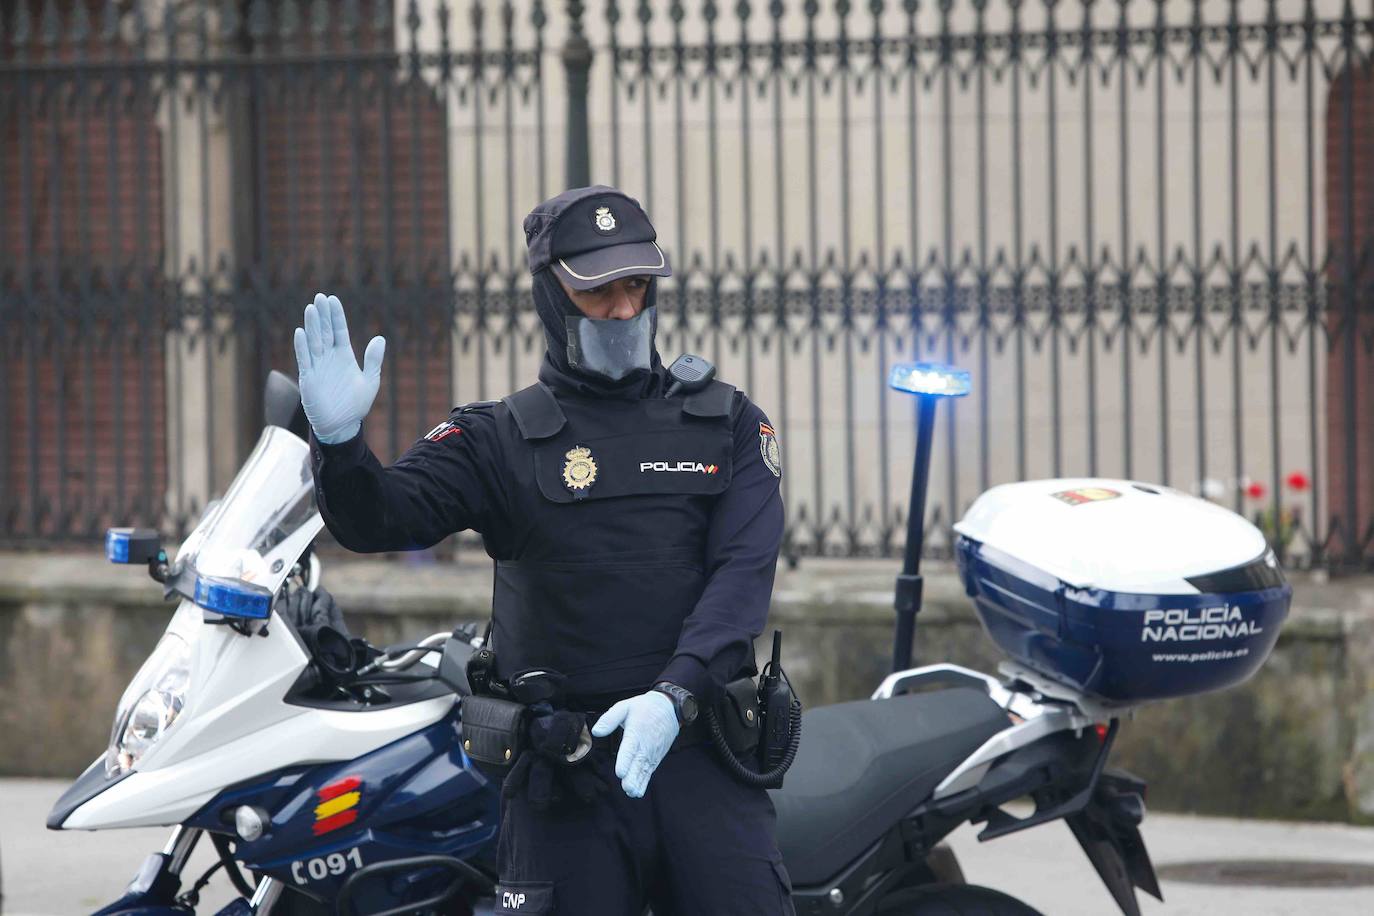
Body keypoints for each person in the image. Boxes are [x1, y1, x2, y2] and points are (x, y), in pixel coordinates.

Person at [295, 185, 794, 915]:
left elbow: (741, 577)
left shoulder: (727, 423)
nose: (623, 310)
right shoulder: (498, 439)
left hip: (702, 759)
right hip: (565, 778)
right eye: (597, 293)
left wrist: (675, 692)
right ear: (551, 297)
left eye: (635, 287)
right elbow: (379, 520)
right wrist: (340, 450)